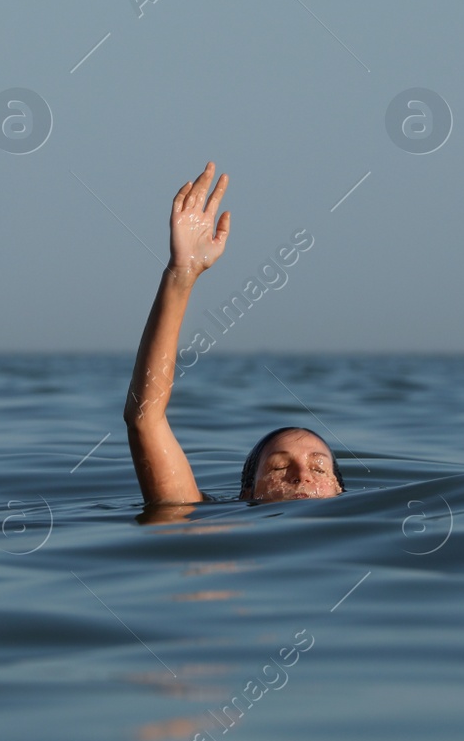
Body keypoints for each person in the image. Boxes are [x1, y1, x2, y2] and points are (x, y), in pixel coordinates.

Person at [123, 162, 346, 510]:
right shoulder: (219, 531)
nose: (302, 475)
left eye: (319, 467)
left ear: (338, 488)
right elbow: (145, 418)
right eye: (279, 467)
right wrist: (182, 274)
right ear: (247, 494)